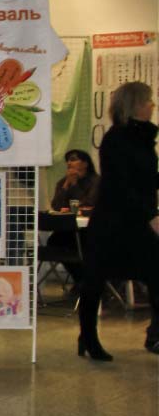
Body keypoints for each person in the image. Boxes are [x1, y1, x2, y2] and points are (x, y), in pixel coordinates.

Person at [79, 82, 159, 361]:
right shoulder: (115, 139)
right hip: (113, 222)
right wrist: (151, 215)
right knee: (94, 281)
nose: (152, 105)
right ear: (134, 105)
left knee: (156, 275)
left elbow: (146, 180)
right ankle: (88, 337)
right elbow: (122, 185)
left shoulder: (144, 138)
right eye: (148, 101)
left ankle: (155, 334)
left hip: (136, 220)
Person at [46, 149, 99, 286]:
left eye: (73, 159)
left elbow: (88, 203)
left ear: (85, 163)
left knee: (83, 246)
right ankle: (81, 280)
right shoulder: (63, 182)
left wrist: (74, 185)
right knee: (54, 241)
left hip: (90, 229)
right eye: (68, 160)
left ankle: (89, 282)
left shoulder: (96, 181)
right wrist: (66, 185)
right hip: (69, 228)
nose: (69, 163)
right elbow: (56, 206)